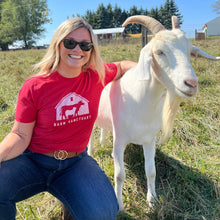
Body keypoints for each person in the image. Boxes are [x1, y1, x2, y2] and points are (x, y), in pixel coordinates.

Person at [0, 17, 136, 220]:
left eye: (85, 45)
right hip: (34, 160)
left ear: (92, 50)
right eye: (70, 43)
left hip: (75, 163)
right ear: (58, 44)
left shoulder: (96, 75)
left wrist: (150, 68)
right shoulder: (35, 86)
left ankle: (72, 201)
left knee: (104, 213)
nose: (78, 50)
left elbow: (123, 66)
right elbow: (19, 134)